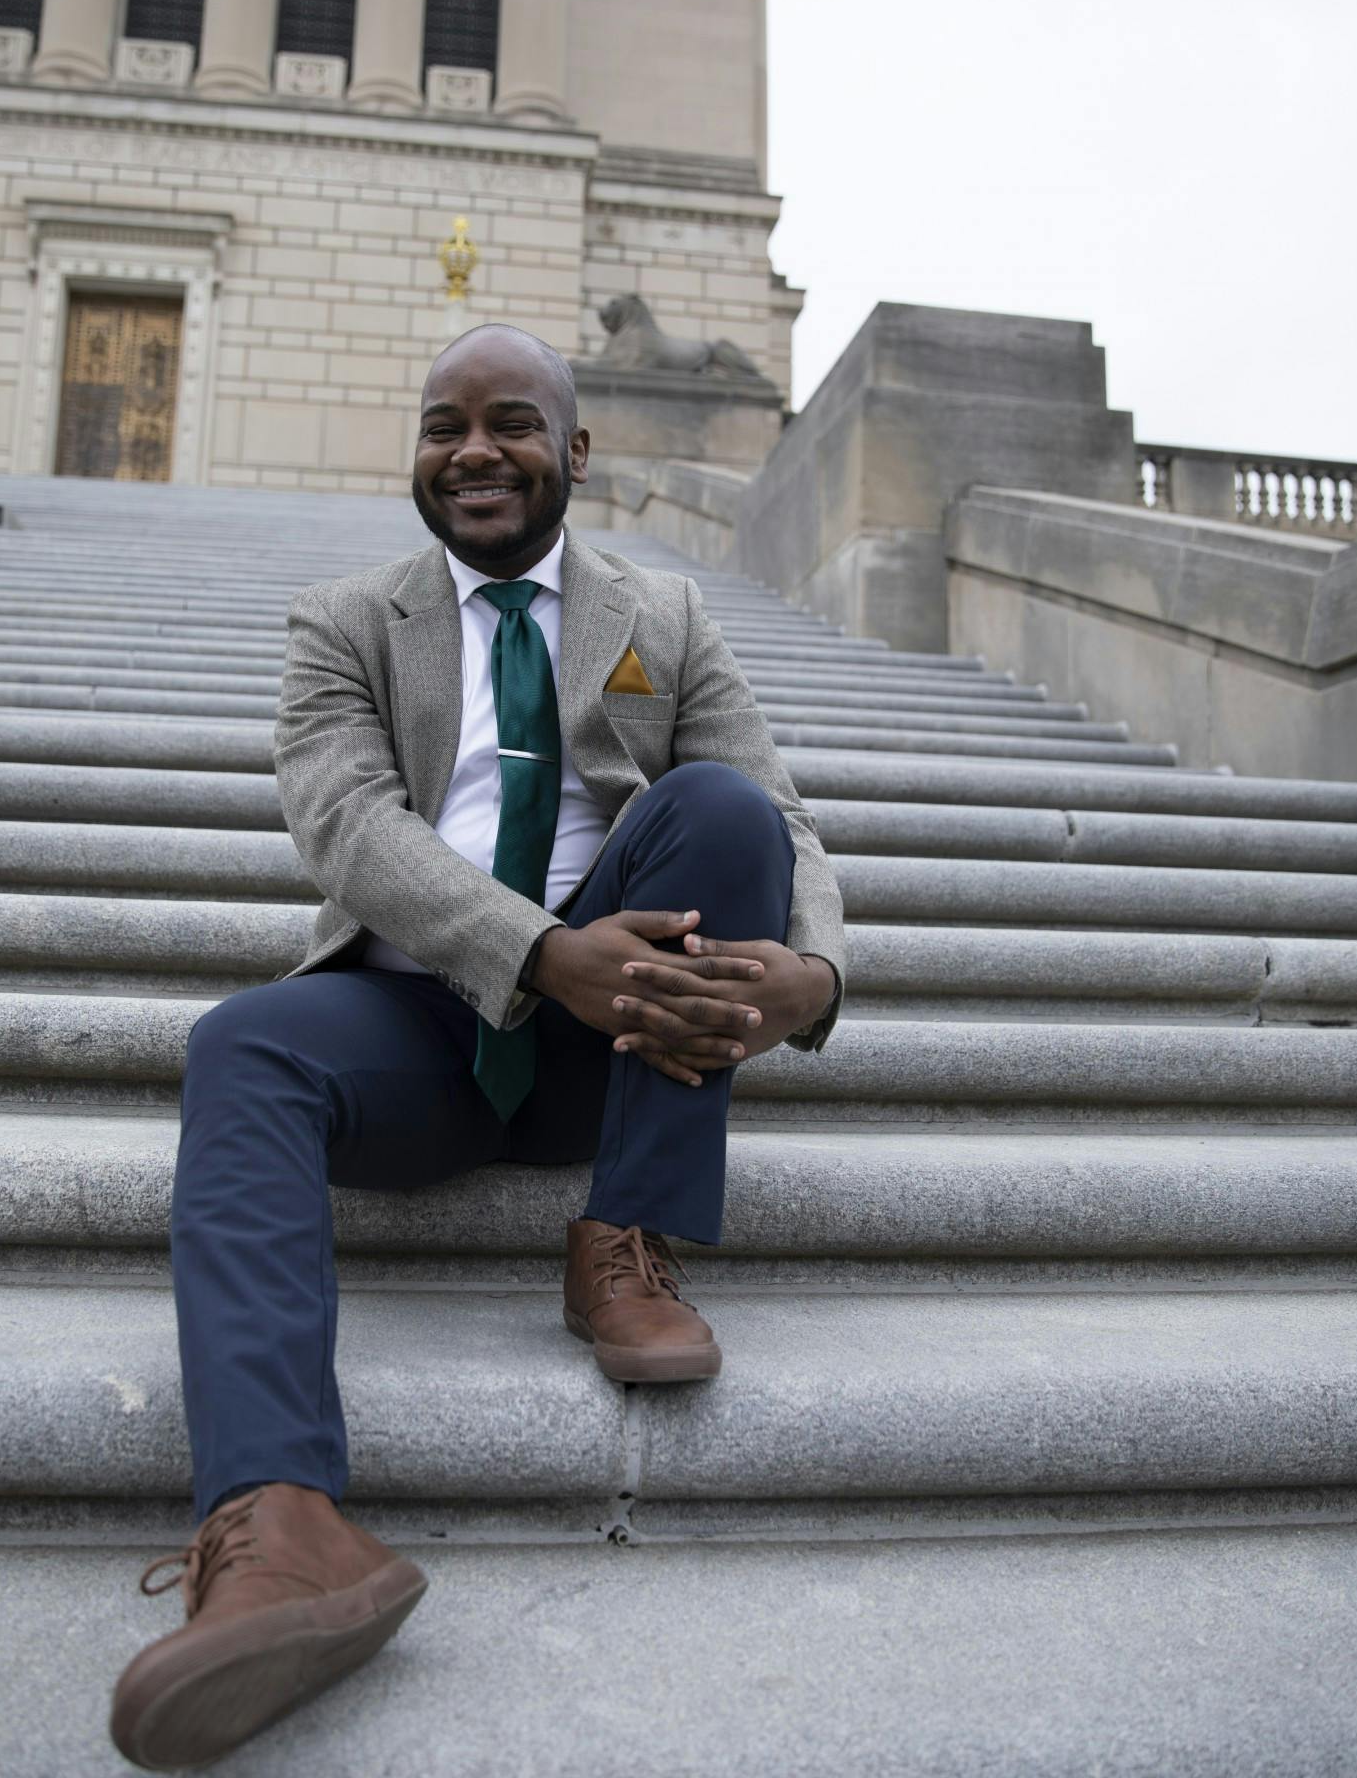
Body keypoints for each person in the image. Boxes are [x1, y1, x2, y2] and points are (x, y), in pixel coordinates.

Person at [109, 323, 846, 1769]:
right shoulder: (344, 622)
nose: (474, 449)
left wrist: (812, 982)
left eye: (513, 422)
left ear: (575, 452)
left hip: (623, 1034)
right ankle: (279, 1526)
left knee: (726, 815)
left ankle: (625, 1238)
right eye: (445, 424)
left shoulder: (665, 616)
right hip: (424, 1018)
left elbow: (784, 813)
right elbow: (347, 828)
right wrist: (533, 955)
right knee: (243, 1048)